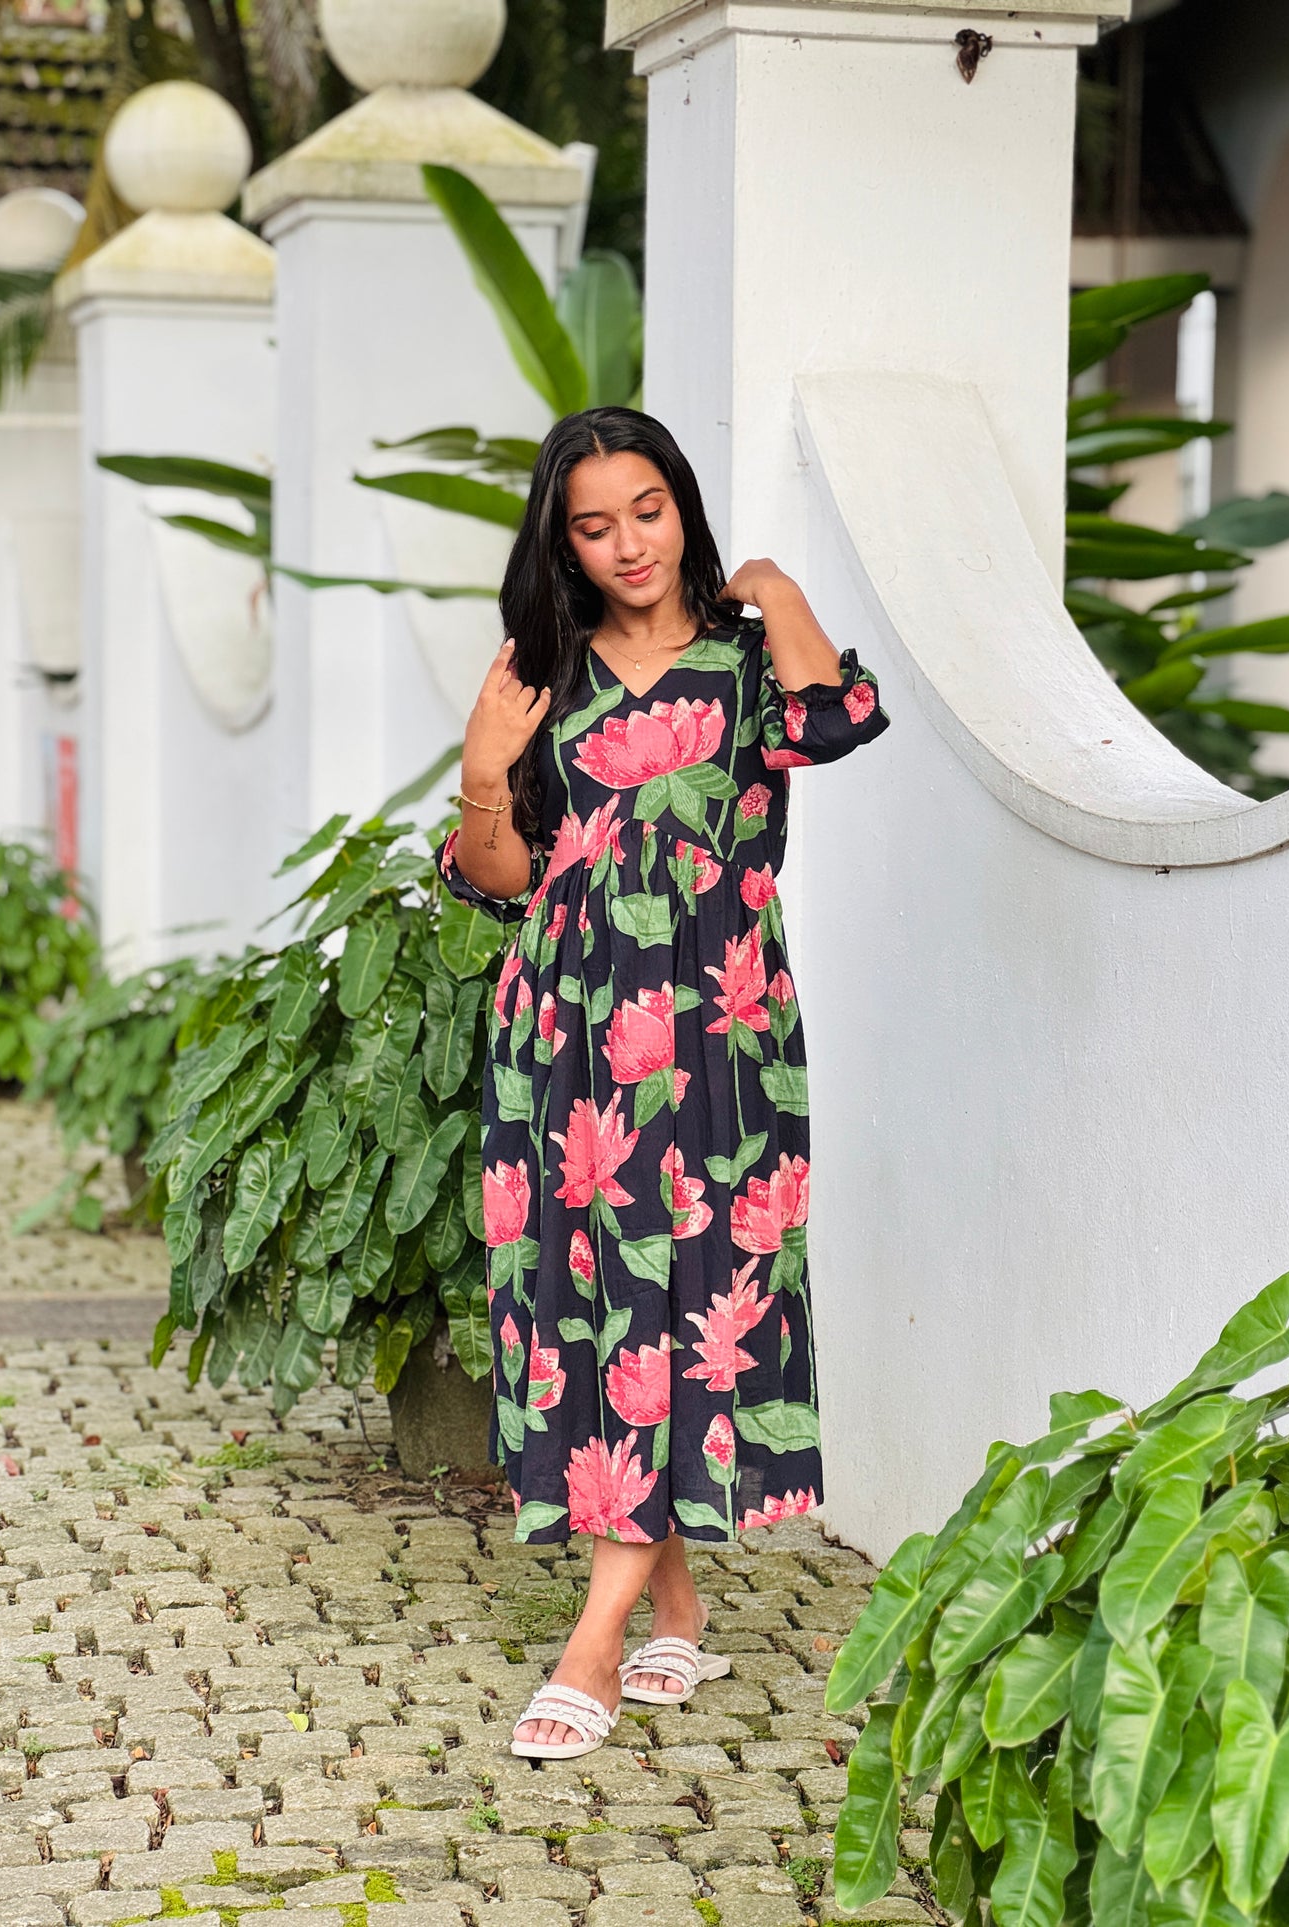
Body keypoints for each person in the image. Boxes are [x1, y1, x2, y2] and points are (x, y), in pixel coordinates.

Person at [440, 406, 889, 1759]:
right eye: (593, 524)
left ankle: (594, 1633)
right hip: (564, 1034)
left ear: (679, 507)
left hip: (716, 1040)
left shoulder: (748, 665)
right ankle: (671, 1598)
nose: (627, 543)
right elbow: (504, 879)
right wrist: (477, 772)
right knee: (592, 1300)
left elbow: (832, 727)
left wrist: (785, 591)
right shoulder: (545, 673)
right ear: (561, 543)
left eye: (647, 509)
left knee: (690, 1297)